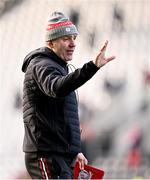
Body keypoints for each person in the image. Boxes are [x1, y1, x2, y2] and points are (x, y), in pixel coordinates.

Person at [21, 11, 115, 179]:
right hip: (46, 154)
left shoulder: (58, 67)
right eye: (66, 39)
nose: (73, 44)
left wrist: (74, 151)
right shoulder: (40, 64)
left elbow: (64, 117)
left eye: (74, 38)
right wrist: (91, 67)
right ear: (51, 42)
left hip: (60, 155)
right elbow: (56, 88)